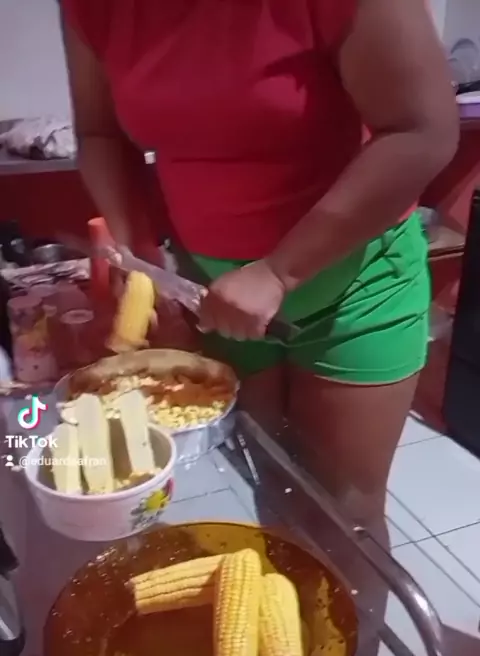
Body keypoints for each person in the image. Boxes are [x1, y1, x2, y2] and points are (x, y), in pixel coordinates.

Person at [60, 0, 458, 543]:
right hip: (213, 293)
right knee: (275, 485)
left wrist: (277, 274)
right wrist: (137, 249)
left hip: (357, 281)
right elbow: (100, 132)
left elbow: (423, 130)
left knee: (346, 517)